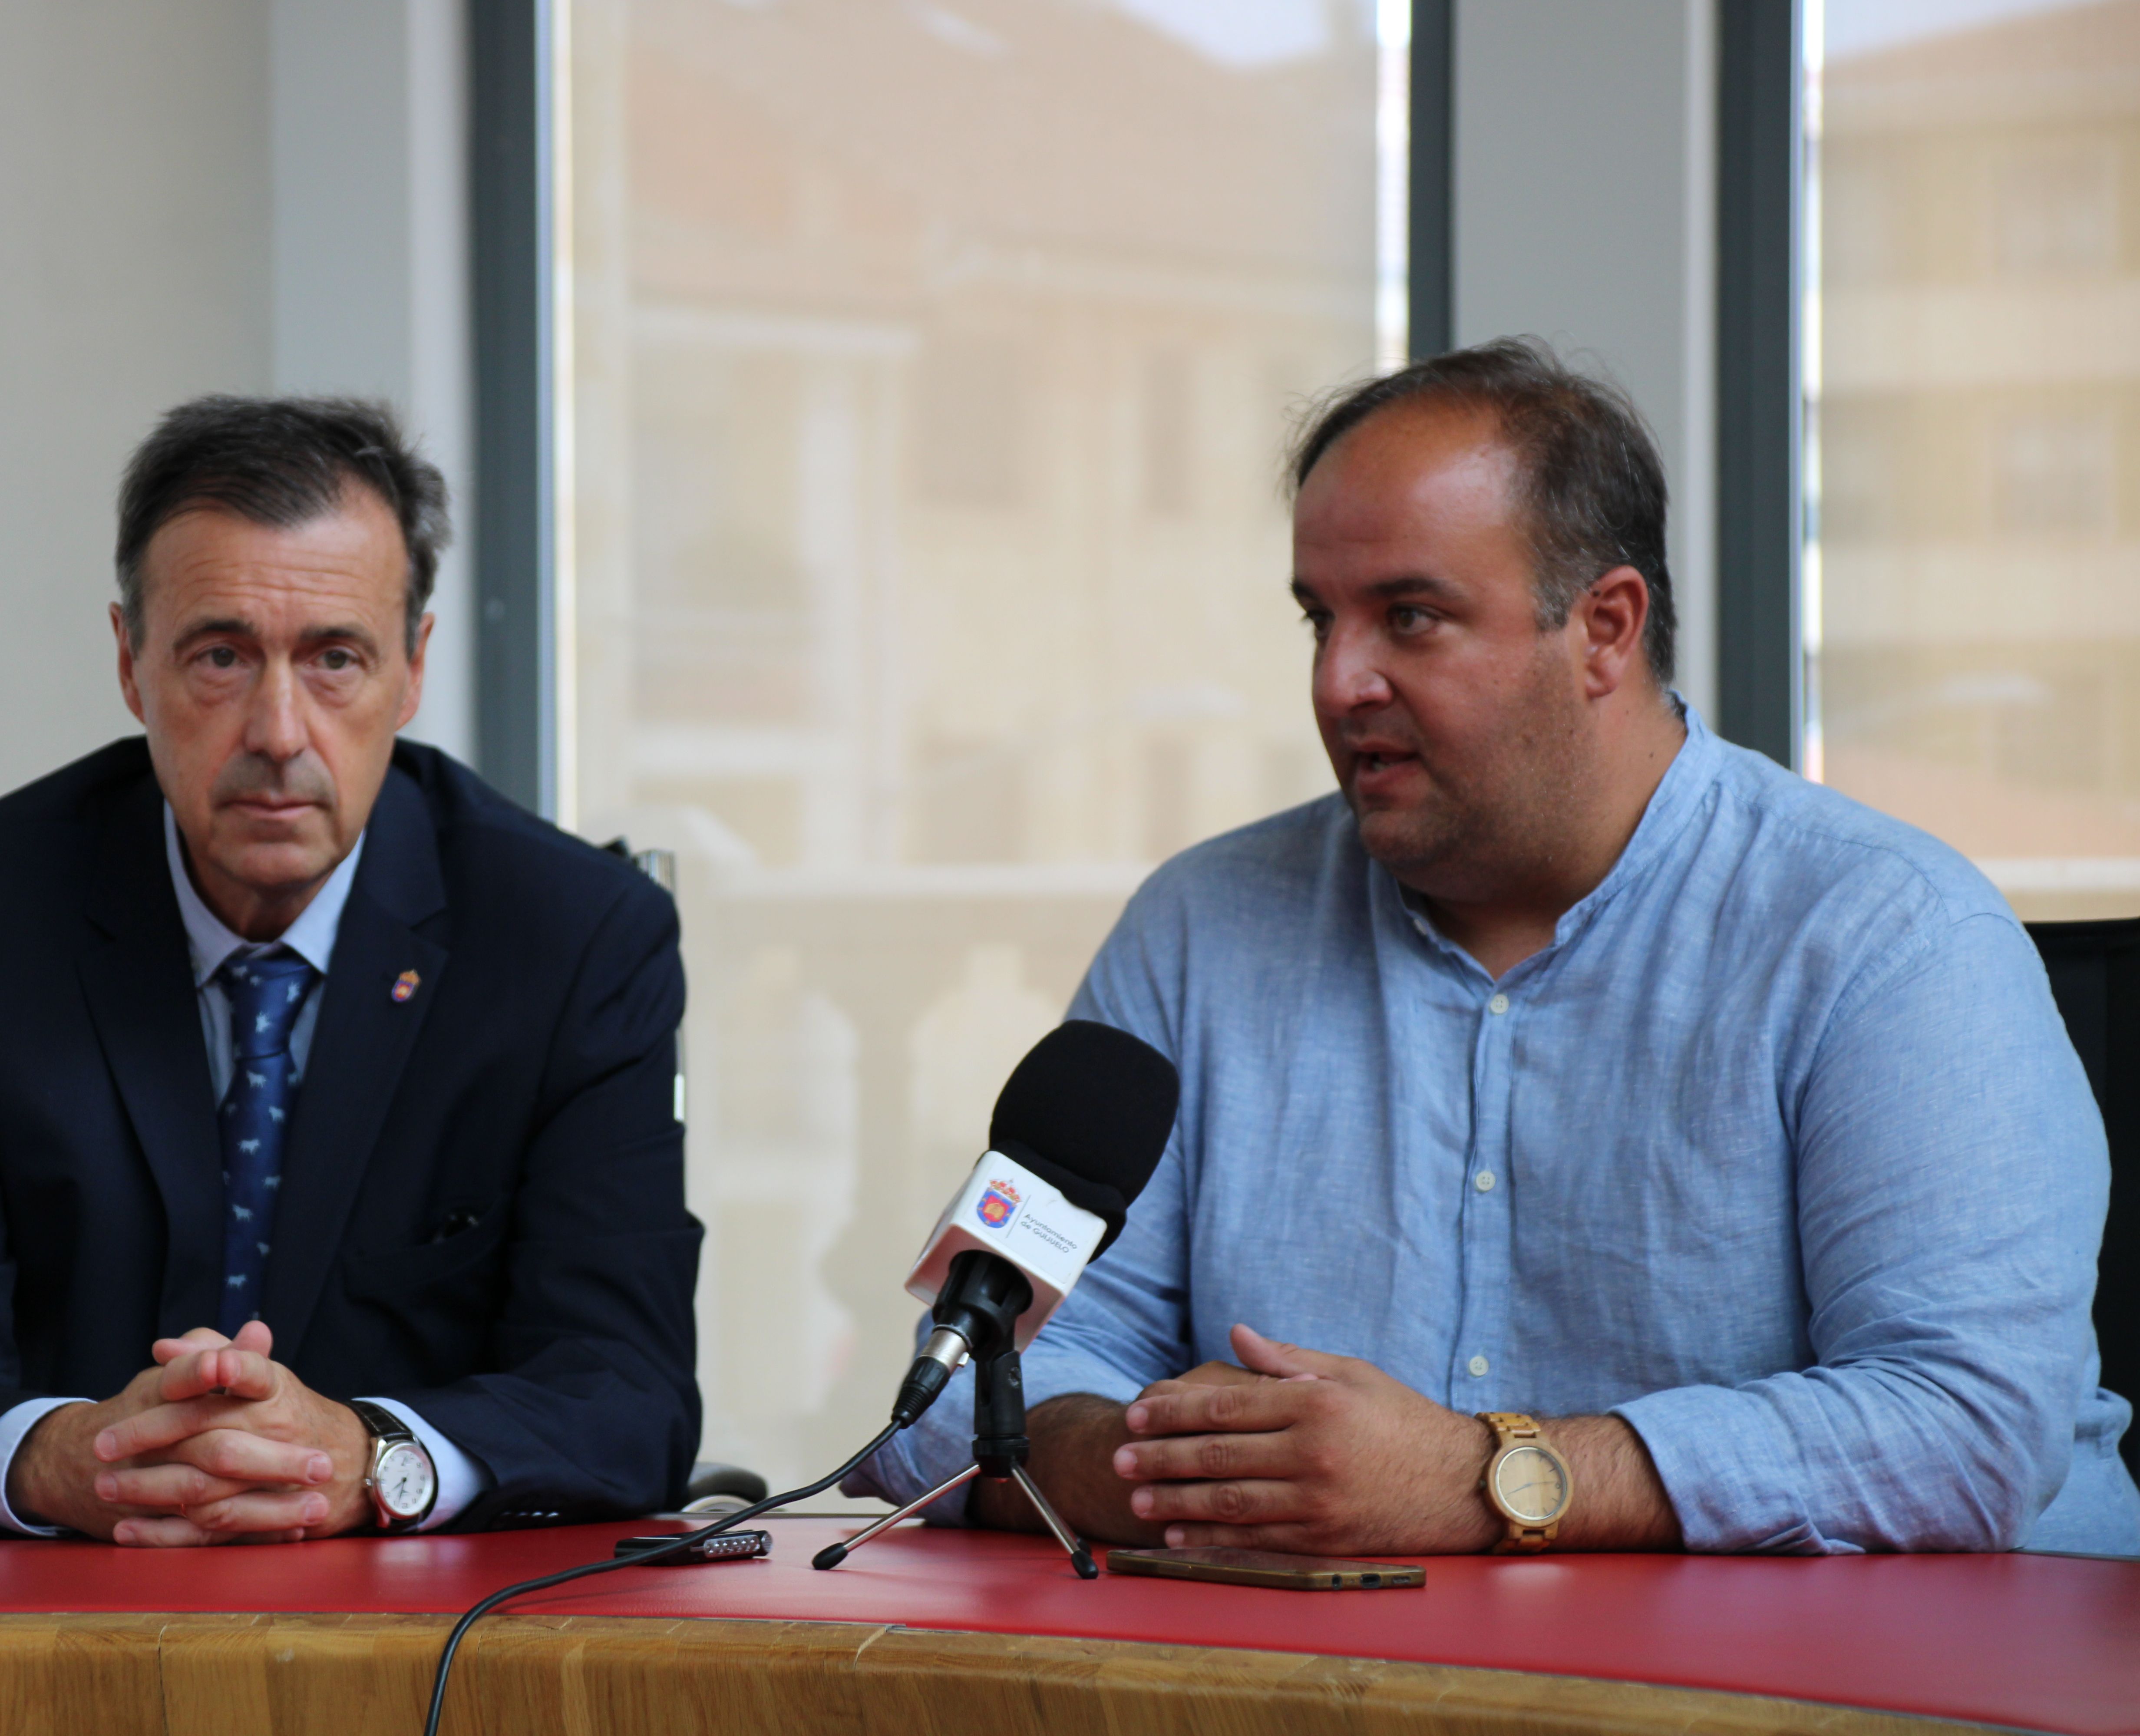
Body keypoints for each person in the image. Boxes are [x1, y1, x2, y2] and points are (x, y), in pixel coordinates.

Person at [856, 339, 2140, 1556]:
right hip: (1357, 1684)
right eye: (1319, 618)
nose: (1338, 681)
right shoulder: (1198, 928)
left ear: (1605, 630)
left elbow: (1970, 1429)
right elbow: (966, 1388)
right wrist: (1165, 1470)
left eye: (1409, 617)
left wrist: (1480, 1479)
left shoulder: (1888, 936)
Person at [0, 396, 700, 1544]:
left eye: (335, 659)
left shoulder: (574, 939)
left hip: (431, 1648)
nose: (279, 731)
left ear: (413, 670)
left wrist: (373, 1457)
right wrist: (75, 1458)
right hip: (60, 1624)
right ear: (131, 664)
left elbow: (627, 1394)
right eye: (221, 656)